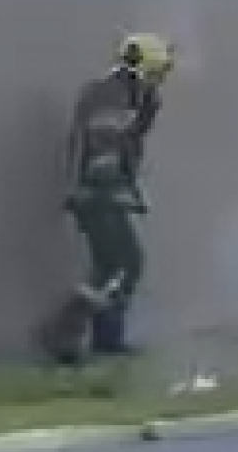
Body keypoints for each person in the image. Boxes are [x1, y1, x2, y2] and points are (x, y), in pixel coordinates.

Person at [38, 33, 175, 365]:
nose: (159, 82)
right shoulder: (114, 99)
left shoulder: (122, 95)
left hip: (97, 191)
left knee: (108, 267)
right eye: (155, 74)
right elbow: (104, 151)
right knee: (127, 264)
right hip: (98, 193)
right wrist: (115, 191)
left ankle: (102, 338)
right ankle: (64, 329)